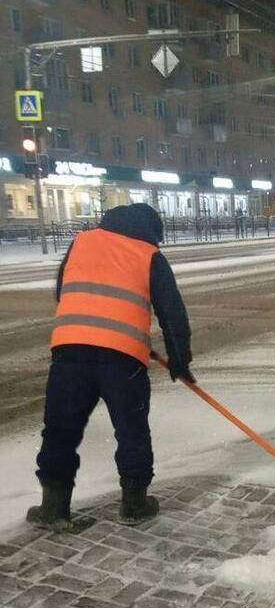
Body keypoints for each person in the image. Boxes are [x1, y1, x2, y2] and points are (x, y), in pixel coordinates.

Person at [26, 203, 194, 531]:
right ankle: (134, 504)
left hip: (70, 351)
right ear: (152, 231)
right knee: (131, 430)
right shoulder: (149, 255)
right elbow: (172, 313)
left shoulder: (82, 242)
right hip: (123, 358)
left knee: (60, 429)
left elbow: (64, 290)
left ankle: (53, 507)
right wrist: (179, 361)